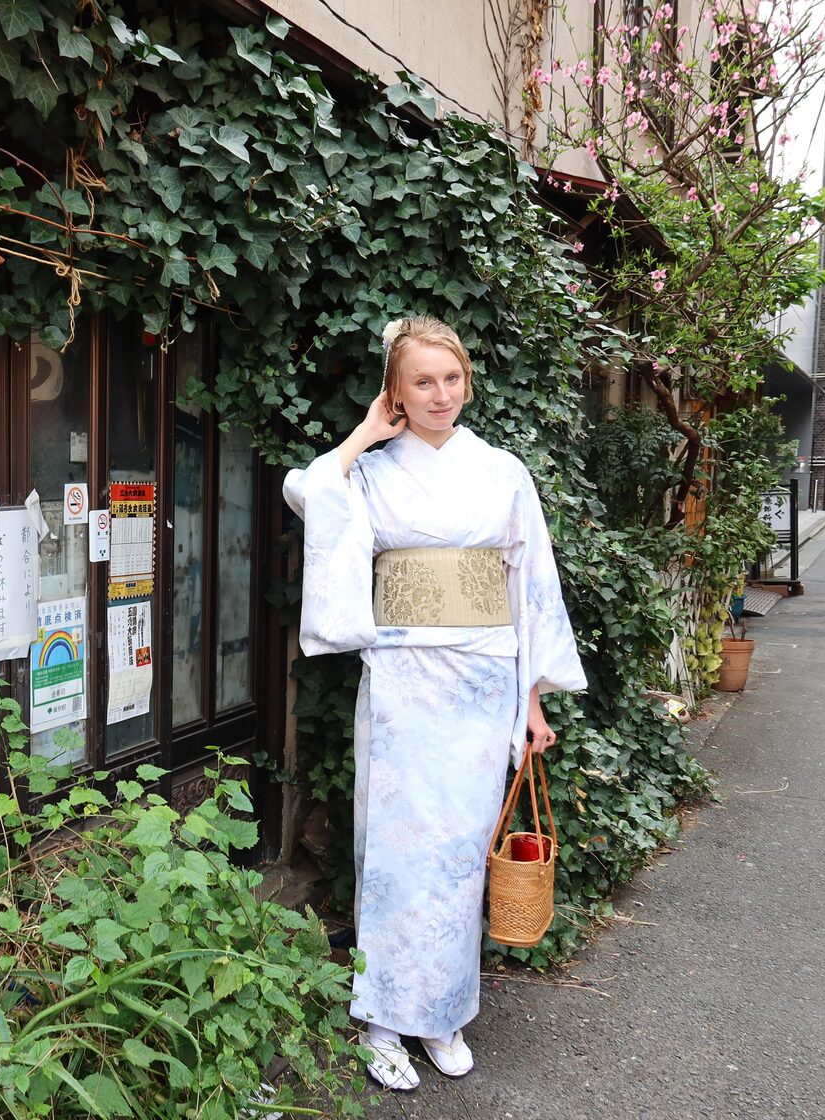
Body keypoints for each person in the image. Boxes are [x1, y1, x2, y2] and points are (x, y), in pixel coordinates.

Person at [283, 315, 585, 1091]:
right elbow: (310, 490)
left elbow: (529, 584)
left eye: (451, 379)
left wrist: (531, 701)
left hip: (484, 680)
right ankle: (383, 1019)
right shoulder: (371, 473)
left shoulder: (503, 472)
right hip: (404, 682)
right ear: (395, 391)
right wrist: (363, 436)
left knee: (458, 855)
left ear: (467, 384)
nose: (440, 394)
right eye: (422, 381)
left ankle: (442, 1013)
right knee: (396, 851)